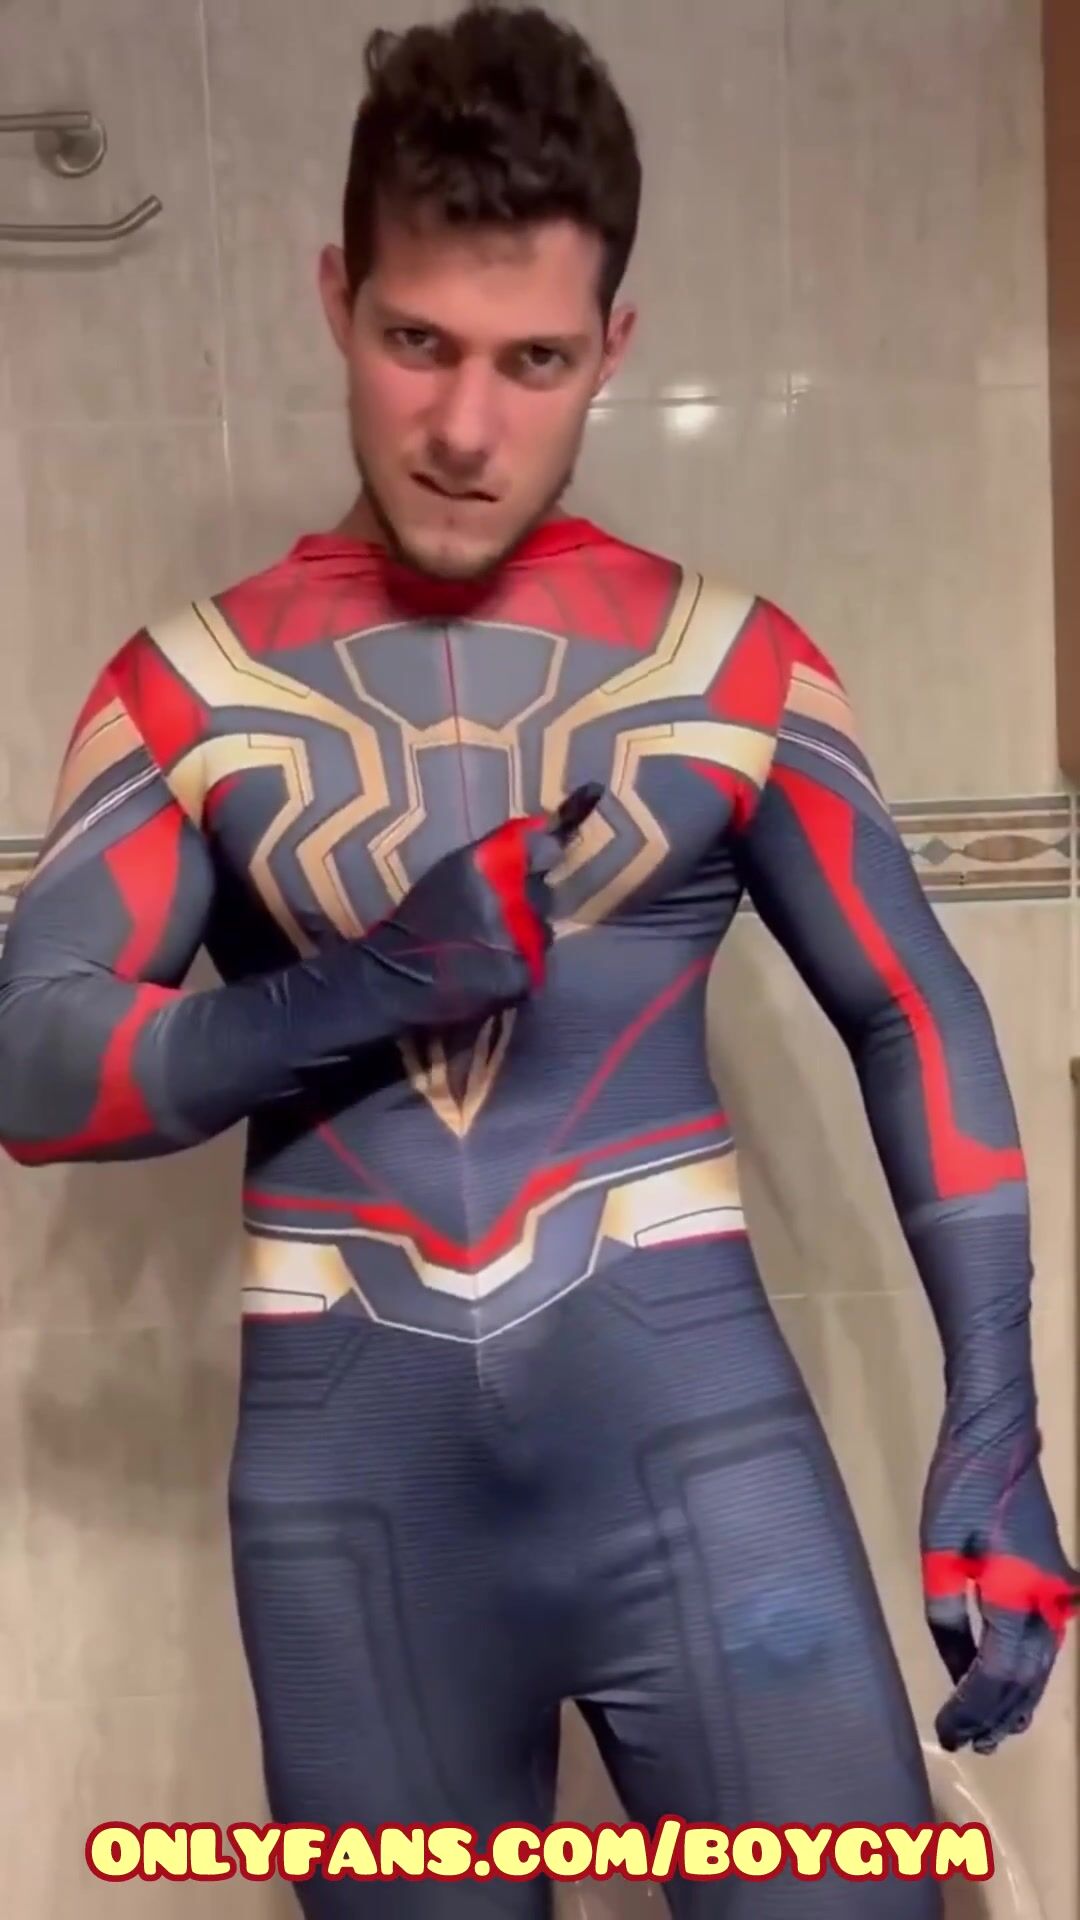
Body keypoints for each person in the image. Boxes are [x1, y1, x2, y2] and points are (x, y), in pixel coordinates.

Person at [0, 4, 1074, 1915]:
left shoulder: (733, 668)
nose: (466, 428)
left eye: (535, 360)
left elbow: (914, 1013)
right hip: (358, 1508)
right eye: (418, 341)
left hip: (698, 1460)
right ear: (337, 299)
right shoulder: (187, 693)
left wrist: (996, 1420)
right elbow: (34, 1069)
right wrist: (366, 985)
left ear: (614, 350)